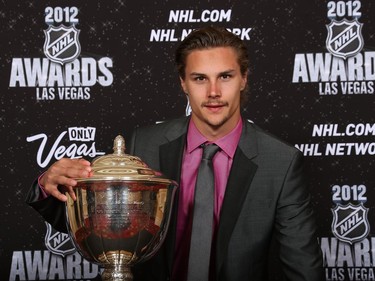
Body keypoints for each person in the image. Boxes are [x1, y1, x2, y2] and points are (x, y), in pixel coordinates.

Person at [26, 26, 324, 281]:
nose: (213, 92)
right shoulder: (145, 144)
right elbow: (95, 221)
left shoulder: (280, 162)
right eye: (199, 78)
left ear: (244, 78)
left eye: (226, 76)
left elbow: (302, 268)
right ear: (183, 83)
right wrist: (49, 183)